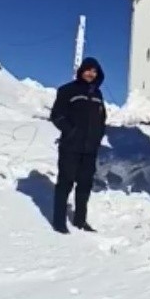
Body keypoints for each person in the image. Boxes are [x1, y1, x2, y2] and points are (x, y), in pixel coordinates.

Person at [49, 57, 107, 234]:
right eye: (88, 70)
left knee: (85, 185)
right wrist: (70, 131)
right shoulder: (68, 90)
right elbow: (56, 115)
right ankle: (59, 222)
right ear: (81, 71)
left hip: (90, 149)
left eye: (94, 71)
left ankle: (80, 220)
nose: (91, 74)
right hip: (70, 147)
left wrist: (98, 136)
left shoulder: (97, 94)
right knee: (65, 183)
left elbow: (102, 117)